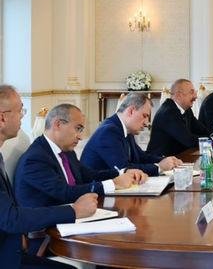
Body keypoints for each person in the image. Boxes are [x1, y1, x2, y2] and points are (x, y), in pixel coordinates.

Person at [0, 85, 97, 268]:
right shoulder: (35, 156)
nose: (22, 116)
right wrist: (74, 210)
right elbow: (11, 218)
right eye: (20, 111)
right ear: (2, 118)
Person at [15, 103, 147, 209]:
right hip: (48, 229)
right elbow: (65, 193)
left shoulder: (67, 151)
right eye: (77, 128)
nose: (80, 137)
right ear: (58, 124)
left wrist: (123, 172)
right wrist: (113, 184)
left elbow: (89, 175)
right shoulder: (36, 158)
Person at [82, 93, 183, 176]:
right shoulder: (108, 132)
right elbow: (124, 169)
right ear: (131, 111)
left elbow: (141, 157)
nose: (146, 123)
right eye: (144, 116)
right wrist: (159, 167)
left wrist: (166, 160)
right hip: (98, 191)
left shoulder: (126, 128)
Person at [148, 79, 209, 157]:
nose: (195, 96)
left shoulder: (187, 110)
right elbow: (188, 140)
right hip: (160, 160)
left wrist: (212, 136)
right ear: (179, 95)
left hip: (178, 157)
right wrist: (209, 140)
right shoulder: (168, 112)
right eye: (191, 92)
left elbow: (201, 130)